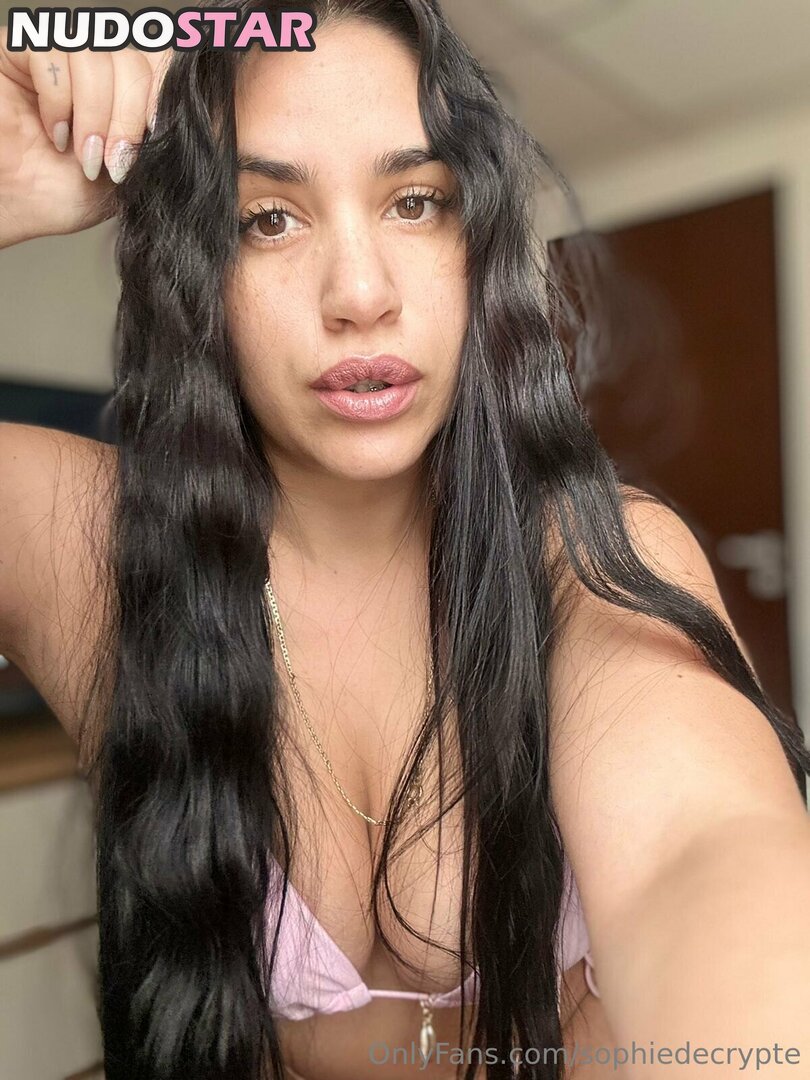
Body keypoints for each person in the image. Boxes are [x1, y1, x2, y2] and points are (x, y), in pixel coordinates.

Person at [1, 2, 809, 1078]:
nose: (361, 294)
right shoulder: (89, 541)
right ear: (196, 269)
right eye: (266, 218)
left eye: (415, 202)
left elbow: (700, 854)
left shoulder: (592, 556)